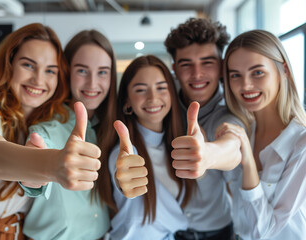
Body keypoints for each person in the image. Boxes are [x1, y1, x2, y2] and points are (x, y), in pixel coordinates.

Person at [0, 23, 100, 240]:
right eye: (28, 65)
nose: (38, 79)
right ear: (8, 65)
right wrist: (53, 164)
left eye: (50, 71)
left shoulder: (48, 126)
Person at [21, 29, 118, 240]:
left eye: (102, 72)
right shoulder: (47, 128)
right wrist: (32, 172)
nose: (93, 83)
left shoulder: (110, 128)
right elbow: (32, 174)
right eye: (82, 71)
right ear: (66, 72)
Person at [217, 29, 306, 240]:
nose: (245, 85)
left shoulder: (301, 144)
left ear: (283, 70)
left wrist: (248, 162)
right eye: (235, 75)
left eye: (257, 72)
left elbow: (263, 232)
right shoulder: (244, 131)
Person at [163, 17, 243, 239]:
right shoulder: (161, 107)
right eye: (186, 64)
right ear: (174, 69)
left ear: (221, 66)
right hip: (168, 229)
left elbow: (232, 146)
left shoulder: (230, 112)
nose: (197, 74)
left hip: (218, 231)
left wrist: (208, 155)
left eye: (207, 62)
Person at [106, 55, 195, 239]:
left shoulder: (176, 146)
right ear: (127, 101)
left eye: (161, 88)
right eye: (140, 90)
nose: (153, 98)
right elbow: (123, 173)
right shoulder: (125, 151)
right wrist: (123, 181)